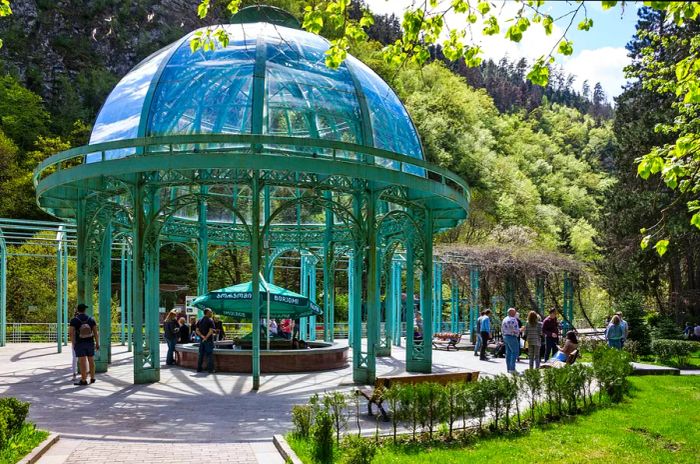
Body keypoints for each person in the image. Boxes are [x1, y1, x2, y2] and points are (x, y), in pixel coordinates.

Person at [69, 303, 99, 386]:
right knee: (91, 360)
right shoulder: (91, 319)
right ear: (85, 310)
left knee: (82, 362)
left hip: (80, 343)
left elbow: (70, 333)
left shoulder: (74, 320)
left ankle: (83, 380)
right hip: (90, 342)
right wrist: (97, 343)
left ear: (78, 310)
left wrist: (73, 343)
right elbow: (96, 333)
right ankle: (92, 378)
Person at [196, 308, 216, 373]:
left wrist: (202, 337)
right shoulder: (210, 320)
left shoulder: (200, 320)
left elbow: (197, 330)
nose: (211, 313)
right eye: (210, 312)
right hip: (208, 340)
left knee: (201, 354)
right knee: (209, 355)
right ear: (207, 312)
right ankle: (210, 369)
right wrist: (206, 337)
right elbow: (211, 331)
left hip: (202, 341)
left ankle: (199, 368)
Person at [501, 308, 520, 374]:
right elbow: (514, 329)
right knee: (515, 352)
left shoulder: (505, 319)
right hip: (512, 336)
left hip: (505, 336)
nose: (515, 313)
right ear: (512, 313)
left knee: (508, 353)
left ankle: (508, 368)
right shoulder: (513, 319)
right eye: (514, 312)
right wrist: (521, 330)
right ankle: (512, 369)